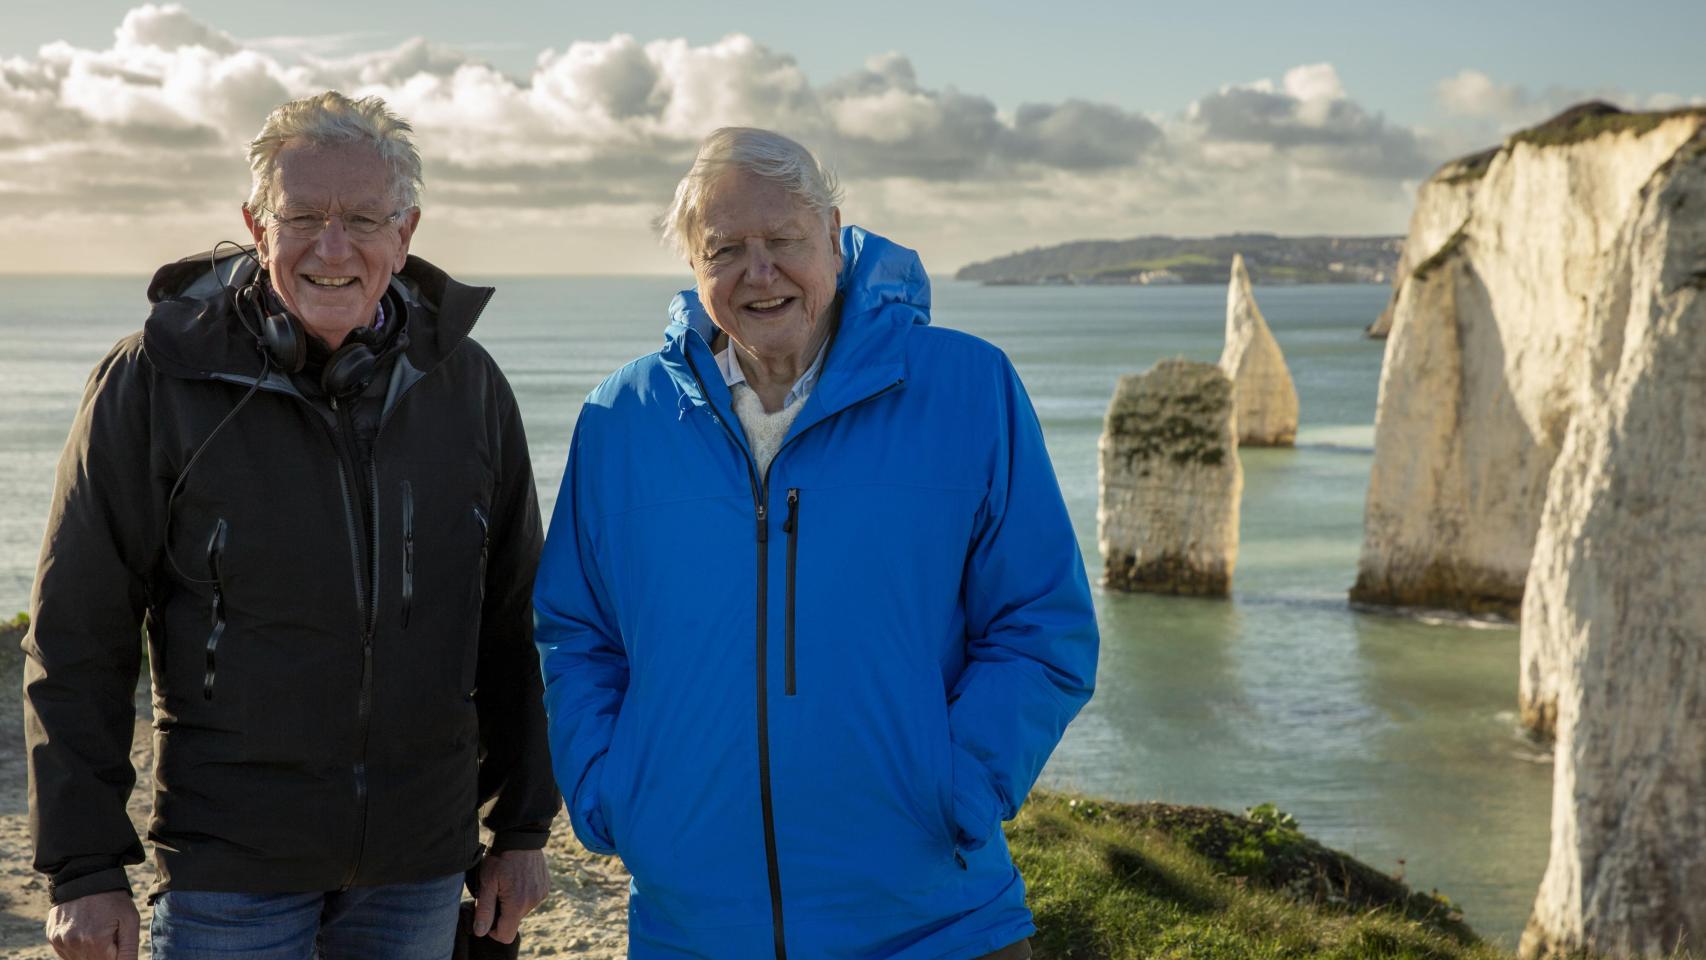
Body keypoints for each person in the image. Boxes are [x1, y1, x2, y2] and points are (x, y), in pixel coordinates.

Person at [535, 127, 1099, 958]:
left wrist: (960, 787)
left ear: (834, 237)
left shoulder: (968, 389)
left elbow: (1041, 626)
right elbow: (577, 632)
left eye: (784, 241)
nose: (758, 272)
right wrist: (612, 792)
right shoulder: (622, 419)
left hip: (935, 924)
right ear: (693, 263)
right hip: (695, 931)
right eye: (726, 248)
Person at [24, 91, 559, 960]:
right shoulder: (152, 383)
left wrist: (523, 827)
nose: (332, 247)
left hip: (417, 863)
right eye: (302, 216)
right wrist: (84, 869)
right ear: (254, 223)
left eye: (362, 219)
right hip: (228, 866)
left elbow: (514, 619)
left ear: (407, 231)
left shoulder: (467, 384)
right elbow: (78, 634)